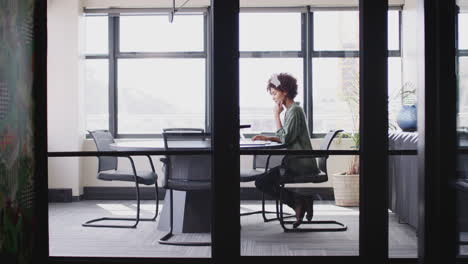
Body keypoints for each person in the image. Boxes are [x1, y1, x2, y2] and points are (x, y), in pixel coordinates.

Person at [252, 73, 319, 228]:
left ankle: (299, 201)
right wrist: (268, 138)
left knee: (262, 182)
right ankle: (300, 201)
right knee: (263, 181)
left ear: (285, 92)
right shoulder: (291, 111)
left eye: (275, 93)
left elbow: (286, 139)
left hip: (300, 164)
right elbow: (287, 137)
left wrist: (276, 116)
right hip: (297, 162)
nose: (273, 98)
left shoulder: (294, 111)